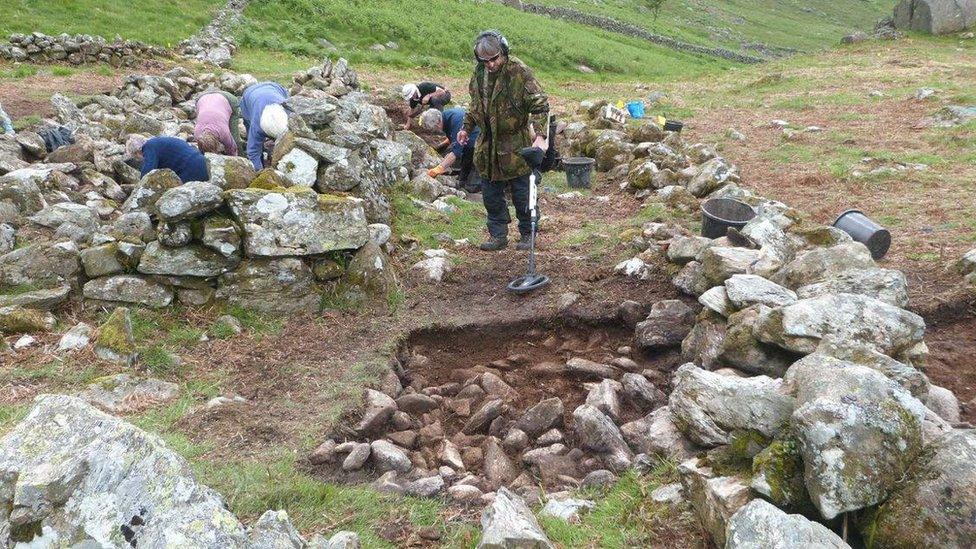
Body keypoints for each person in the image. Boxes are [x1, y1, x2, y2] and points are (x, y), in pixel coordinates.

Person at [457, 30, 549, 251]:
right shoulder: (479, 74)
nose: (490, 64)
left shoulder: (519, 71)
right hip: (488, 145)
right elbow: (475, 105)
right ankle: (498, 236)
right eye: (485, 60)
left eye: (494, 59)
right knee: (491, 195)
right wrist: (466, 128)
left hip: (515, 144)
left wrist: (539, 136)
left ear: (504, 52)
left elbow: (540, 104)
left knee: (522, 193)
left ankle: (528, 234)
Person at [419, 107, 481, 193]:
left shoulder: (456, 121)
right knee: (462, 177)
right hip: (469, 142)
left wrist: (439, 168)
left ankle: (479, 182)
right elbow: (453, 139)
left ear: (438, 123)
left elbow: (456, 152)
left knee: (472, 187)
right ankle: (463, 179)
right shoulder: (445, 116)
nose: (435, 132)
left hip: (481, 143)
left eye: (434, 129)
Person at [240, 81, 290, 170]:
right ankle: (262, 157)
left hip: (274, 87)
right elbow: (252, 152)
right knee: (251, 138)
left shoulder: (288, 111)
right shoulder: (256, 126)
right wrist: (260, 173)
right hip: (249, 94)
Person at [125, 135, 209, 183]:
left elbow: (148, 169)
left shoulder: (148, 147)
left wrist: (140, 186)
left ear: (137, 152)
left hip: (192, 168)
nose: (141, 160)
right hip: (203, 163)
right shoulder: (157, 142)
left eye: (136, 157)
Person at [194, 88, 242, 156]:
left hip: (228, 99)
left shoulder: (224, 133)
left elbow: (232, 149)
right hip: (201, 97)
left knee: (234, 136)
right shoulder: (197, 135)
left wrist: (234, 159)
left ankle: (242, 155)